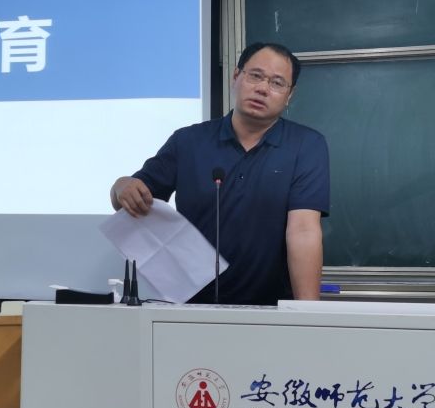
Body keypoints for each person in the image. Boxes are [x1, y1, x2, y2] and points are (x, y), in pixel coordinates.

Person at [110, 42, 329, 304]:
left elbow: (303, 230)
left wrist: (308, 314)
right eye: (255, 76)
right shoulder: (188, 141)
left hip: (273, 309)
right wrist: (121, 186)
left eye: (277, 83)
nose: (262, 88)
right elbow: (134, 197)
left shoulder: (306, 145)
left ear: (289, 95)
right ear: (236, 76)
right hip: (191, 306)